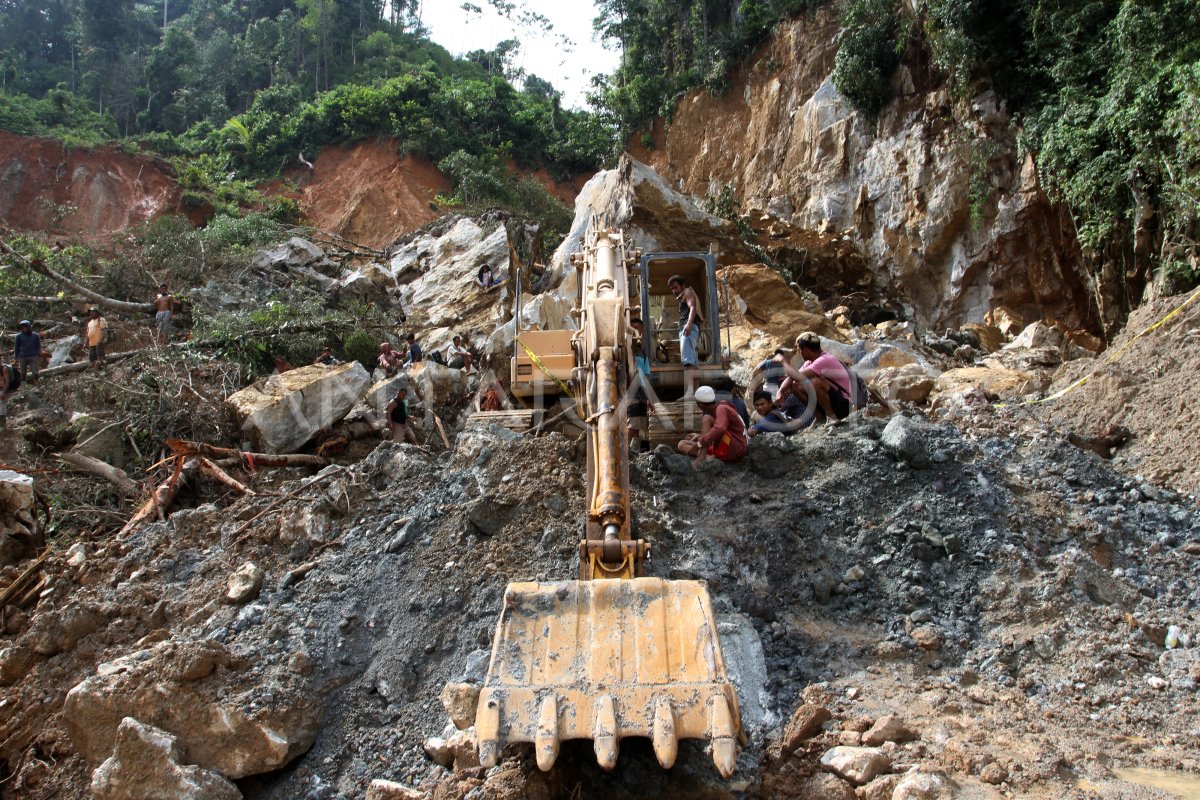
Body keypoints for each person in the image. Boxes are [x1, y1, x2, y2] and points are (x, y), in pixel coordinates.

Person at [776, 331, 854, 423]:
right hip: (835, 402)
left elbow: (796, 375)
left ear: (805, 350)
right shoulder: (810, 362)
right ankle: (819, 416)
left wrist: (783, 362)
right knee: (794, 385)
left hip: (845, 404)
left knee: (815, 382)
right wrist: (780, 391)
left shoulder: (824, 360)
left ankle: (832, 417)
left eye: (799, 350)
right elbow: (792, 377)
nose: (799, 353)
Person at [676, 385, 747, 465]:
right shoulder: (719, 408)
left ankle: (702, 457)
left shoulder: (721, 408)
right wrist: (700, 436)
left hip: (736, 450)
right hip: (729, 445)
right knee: (682, 444)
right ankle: (710, 457)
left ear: (700, 405)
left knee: (707, 418)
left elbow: (720, 428)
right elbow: (721, 430)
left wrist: (701, 442)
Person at [667, 275, 703, 396]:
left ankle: (689, 392)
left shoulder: (687, 292)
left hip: (688, 329)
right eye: (672, 289)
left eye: (676, 287)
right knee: (694, 362)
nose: (674, 290)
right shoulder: (684, 295)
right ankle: (697, 392)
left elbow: (692, 308)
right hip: (691, 329)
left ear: (683, 285)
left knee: (688, 363)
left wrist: (688, 324)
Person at [626, 318, 652, 453]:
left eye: (638, 329)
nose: (636, 332)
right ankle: (623, 452)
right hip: (631, 394)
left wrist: (649, 399)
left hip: (641, 395)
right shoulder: (625, 352)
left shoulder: (643, 354)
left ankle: (633, 454)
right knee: (633, 425)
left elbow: (646, 378)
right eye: (633, 328)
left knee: (639, 426)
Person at [13, 320, 41, 385]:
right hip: (23, 356)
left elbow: (38, 346)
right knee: (23, 373)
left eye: (25, 327)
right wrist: (16, 357)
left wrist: (38, 354)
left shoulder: (35, 336)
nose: (24, 329)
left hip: (33, 356)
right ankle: (24, 387)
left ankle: (37, 384)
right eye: (22, 327)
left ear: (29, 327)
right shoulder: (19, 336)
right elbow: (17, 347)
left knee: (35, 372)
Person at [0, 358, 16, 430]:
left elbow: (7, 381)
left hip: (3, 389)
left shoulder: (4, 368)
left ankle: (3, 426)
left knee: (2, 407)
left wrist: (4, 392)